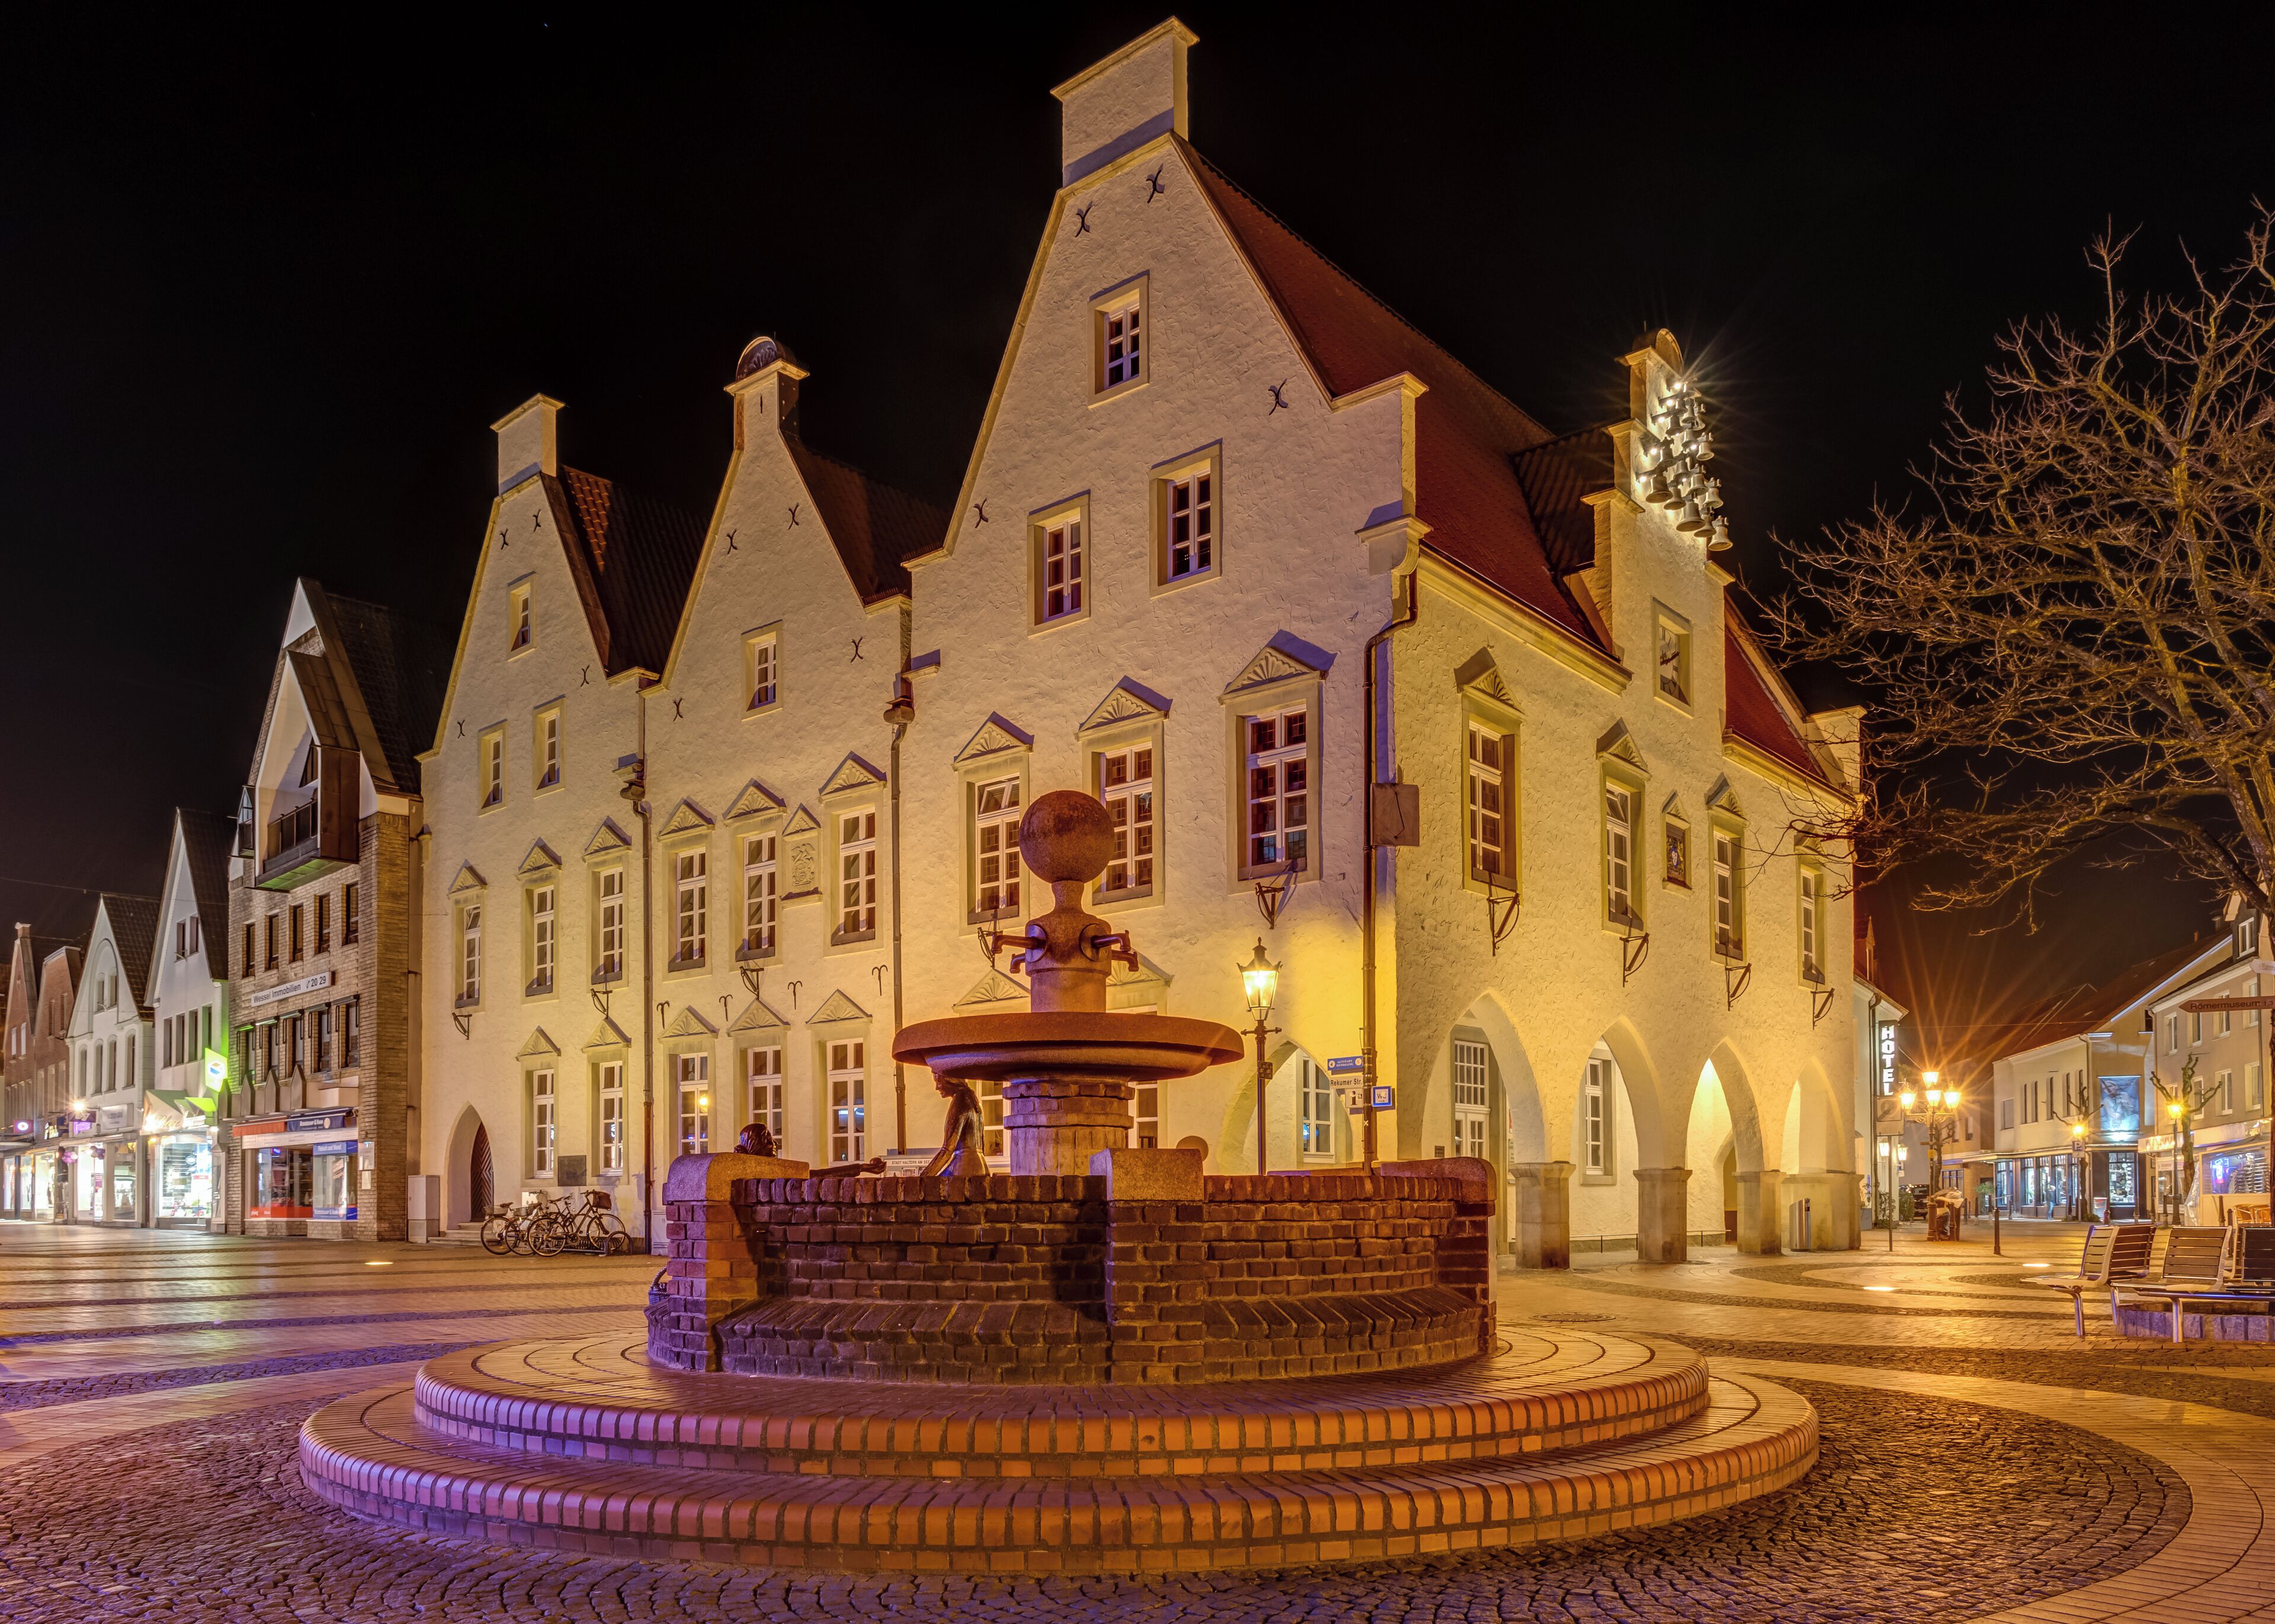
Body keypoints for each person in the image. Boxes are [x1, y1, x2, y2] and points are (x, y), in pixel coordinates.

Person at [922, 1073, 988, 1177]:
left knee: (934, 1189)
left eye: (939, 1082)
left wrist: (924, 1176)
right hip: (981, 1165)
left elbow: (948, 1149)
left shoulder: (960, 1101)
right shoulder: (975, 1102)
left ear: (950, 1081)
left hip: (964, 1166)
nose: (936, 1088)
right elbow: (982, 1142)